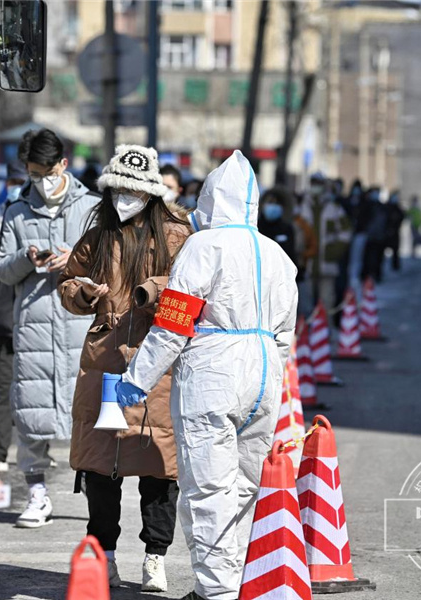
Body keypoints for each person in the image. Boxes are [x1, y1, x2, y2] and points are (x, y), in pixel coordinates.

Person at [118, 151, 298, 600]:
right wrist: (270, 371)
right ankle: (228, 580)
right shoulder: (277, 254)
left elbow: (175, 323)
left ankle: (215, 591)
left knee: (206, 489)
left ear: (212, 199)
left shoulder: (204, 246)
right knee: (243, 485)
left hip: (212, 374)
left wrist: (138, 377)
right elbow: (286, 332)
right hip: (262, 374)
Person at [59, 145, 190, 592]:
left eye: (133, 191)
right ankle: (104, 555)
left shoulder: (177, 234)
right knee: (102, 466)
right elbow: (68, 281)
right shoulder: (98, 235)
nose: (123, 199)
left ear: (151, 194)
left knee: (159, 464)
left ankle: (156, 557)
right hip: (107, 361)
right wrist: (83, 293)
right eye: (117, 190)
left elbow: (191, 289)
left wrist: (153, 290)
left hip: (158, 362)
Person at [0, 128, 100, 528]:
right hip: (35, 323)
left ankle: (93, 482)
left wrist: (77, 258)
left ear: (63, 166)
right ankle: (37, 491)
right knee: (31, 409)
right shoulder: (17, 210)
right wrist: (27, 256)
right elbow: (2, 270)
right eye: (32, 174)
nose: (40, 181)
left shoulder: (91, 207)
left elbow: (108, 261)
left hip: (80, 323)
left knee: (86, 409)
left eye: (45, 172)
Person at [0, 162, 28, 472]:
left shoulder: (27, 222)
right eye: (11, 180)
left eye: (20, 180)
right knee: (2, 389)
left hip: (24, 321)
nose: (15, 186)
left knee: (22, 388)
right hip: (1, 320)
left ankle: (30, 447)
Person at [302, 172, 351, 310]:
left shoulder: (334, 209)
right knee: (306, 301)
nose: (315, 187)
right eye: (313, 183)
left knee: (327, 300)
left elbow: (346, 232)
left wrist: (334, 251)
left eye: (318, 184)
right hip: (307, 263)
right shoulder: (303, 207)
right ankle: (306, 330)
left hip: (327, 263)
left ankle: (326, 330)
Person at [257, 187, 297, 264]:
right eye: (270, 202)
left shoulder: (287, 228)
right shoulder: (256, 227)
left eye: (276, 203)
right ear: (263, 205)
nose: (273, 206)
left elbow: (291, 255)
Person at [363, 187, 388, 283]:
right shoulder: (368, 206)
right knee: (369, 258)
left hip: (380, 237)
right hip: (370, 236)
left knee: (379, 258)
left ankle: (377, 275)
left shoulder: (382, 207)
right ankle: (368, 276)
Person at [384, 190, 406, 272]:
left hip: (395, 232)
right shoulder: (387, 207)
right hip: (387, 232)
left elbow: (402, 216)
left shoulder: (398, 207)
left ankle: (395, 266)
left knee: (395, 250)